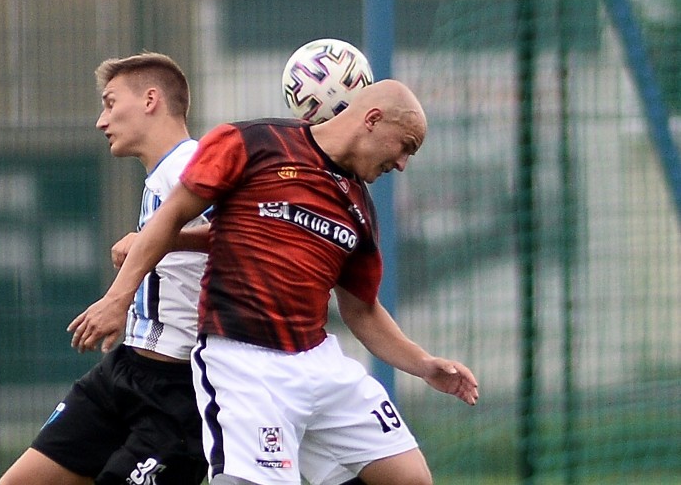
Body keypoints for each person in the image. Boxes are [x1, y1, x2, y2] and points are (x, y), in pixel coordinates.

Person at [69, 79, 480, 485]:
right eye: (406, 145)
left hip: (319, 360)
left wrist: (424, 365)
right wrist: (118, 298)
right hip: (245, 363)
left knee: (408, 477)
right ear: (372, 119)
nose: (403, 163)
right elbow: (171, 215)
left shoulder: (359, 208)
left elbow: (362, 309)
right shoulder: (253, 143)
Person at [0, 52, 210, 485]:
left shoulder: (195, 166)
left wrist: (159, 240)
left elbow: (247, 235)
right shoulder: (161, 175)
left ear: (151, 99)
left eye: (111, 103)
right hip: (125, 368)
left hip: (178, 388)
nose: (101, 120)